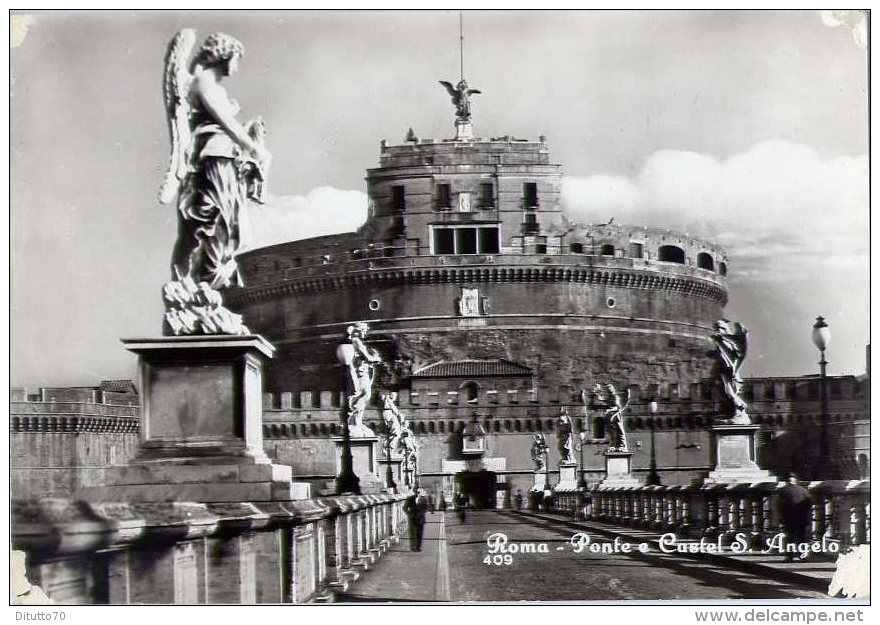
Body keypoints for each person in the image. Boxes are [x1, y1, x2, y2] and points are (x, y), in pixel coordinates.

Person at [778, 473, 813, 562]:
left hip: (789, 519)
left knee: (789, 538)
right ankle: (803, 556)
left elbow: (780, 506)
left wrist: (781, 517)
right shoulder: (804, 490)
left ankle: (789, 557)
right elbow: (809, 505)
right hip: (802, 519)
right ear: (795, 480)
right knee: (802, 538)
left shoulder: (783, 490)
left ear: (787, 480)